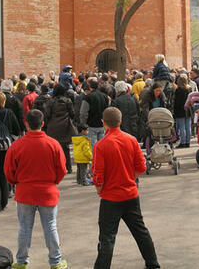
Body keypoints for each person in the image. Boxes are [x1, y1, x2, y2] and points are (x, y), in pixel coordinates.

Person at [92, 107, 158, 269]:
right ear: (120, 121)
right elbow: (141, 166)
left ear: (104, 123)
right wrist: (130, 176)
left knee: (107, 238)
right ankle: (153, 264)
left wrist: (100, 188)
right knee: (141, 232)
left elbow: (98, 174)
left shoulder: (101, 145)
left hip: (110, 197)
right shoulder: (131, 140)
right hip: (130, 193)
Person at [5, 109, 68, 269]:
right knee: (50, 226)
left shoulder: (17, 145)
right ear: (42, 124)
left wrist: (15, 182)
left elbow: (9, 171)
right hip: (48, 191)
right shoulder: (53, 144)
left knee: (25, 227)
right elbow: (62, 168)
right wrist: (54, 181)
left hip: (25, 191)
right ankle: (56, 261)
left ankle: (21, 261)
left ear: (26, 124)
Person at [48, 84, 77, 174]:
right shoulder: (67, 101)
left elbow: (47, 114)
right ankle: (68, 167)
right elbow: (72, 113)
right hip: (65, 125)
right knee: (65, 148)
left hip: (53, 126)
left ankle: (55, 167)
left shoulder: (51, 101)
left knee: (54, 148)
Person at [172, 75, 191, 148]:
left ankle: (183, 142)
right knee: (187, 127)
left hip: (180, 110)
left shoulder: (179, 90)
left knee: (182, 127)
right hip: (188, 109)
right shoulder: (189, 89)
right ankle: (188, 141)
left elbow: (177, 101)